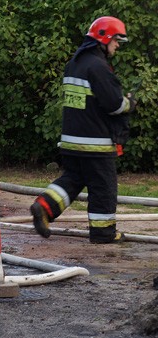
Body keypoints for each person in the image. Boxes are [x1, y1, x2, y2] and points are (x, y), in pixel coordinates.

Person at [30, 16, 135, 244]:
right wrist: (129, 102)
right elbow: (113, 104)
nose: (117, 45)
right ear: (104, 38)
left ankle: (44, 207)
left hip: (71, 141)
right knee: (104, 187)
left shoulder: (75, 64)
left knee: (73, 180)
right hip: (95, 142)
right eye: (116, 40)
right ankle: (104, 233)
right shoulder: (98, 67)